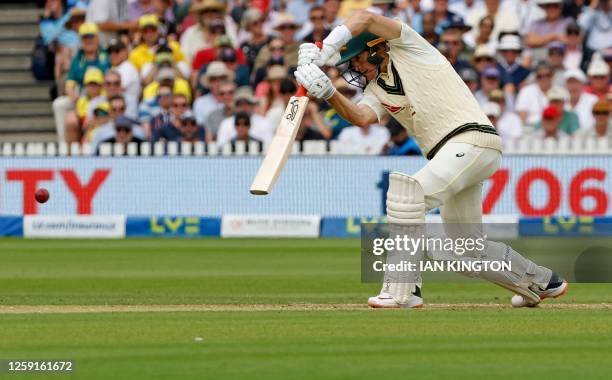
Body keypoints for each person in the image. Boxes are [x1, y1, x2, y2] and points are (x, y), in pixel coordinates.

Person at [295, 10, 567, 308]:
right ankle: (541, 281)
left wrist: (326, 47)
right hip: (457, 156)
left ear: (376, 47)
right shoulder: (376, 89)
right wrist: (329, 92)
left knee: (408, 196)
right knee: (465, 251)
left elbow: (364, 17)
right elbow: (360, 116)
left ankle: (403, 291)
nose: (355, 67)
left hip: (470, 139)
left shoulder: (409, 47)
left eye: (358, 58)